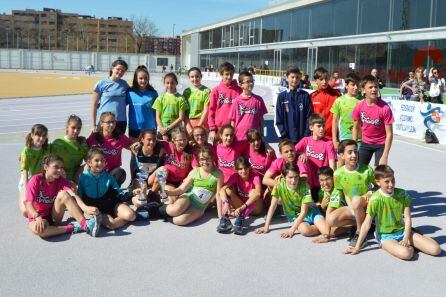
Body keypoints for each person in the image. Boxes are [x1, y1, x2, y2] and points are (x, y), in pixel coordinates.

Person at [345, 165, 441, 260]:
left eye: (393, 180)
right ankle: (411, 247)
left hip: (403, 232)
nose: (391, 184)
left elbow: (407, 219)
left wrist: (405, 239)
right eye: (387, 181)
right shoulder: (375, 198)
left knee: (436, 250)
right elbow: (367, 223)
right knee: (406, 254)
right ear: (378, 182)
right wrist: (357, 247)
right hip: (386, 236)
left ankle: (413, 243)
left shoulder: (402, 194)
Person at [26, 154, 100, 238]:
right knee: (41, 231)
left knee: (64, 194)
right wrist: (37, 217)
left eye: (61, 168)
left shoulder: (61, 180)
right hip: (37, 217)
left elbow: (73, 195)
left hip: (54, 215)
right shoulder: (35, 180)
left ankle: (85, 225)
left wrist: (84, 207)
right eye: (56, 167)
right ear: (46, 167)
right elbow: (28, 204)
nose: (59, 170)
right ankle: (73, 228)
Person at [255, 162, 330, 243]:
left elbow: (304, 212)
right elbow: (272, 206)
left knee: (328, 233)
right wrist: (266, 226)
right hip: (296, 216)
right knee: (305, 231)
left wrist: (291, 230)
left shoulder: (305, 186)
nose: (293, 181)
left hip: (312, 212)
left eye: (296, 177)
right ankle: (325, 226)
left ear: (299, 176)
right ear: (284, 177)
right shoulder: (279, 185)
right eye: (290, 177)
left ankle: (336, 227)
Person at [328, 139, 375, 248]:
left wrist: (370, 192)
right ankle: (363, 225)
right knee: (331, 220)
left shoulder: (367, 170)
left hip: (366, 205)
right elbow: (340, 192)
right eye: (350, 152)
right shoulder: (338, 173)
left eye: (355, 151)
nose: (354, 155)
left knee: (356, 200)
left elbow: (378, 186)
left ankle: (359, 233)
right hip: (352, 206)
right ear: (342, 155)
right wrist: (326, 230)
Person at [77, 147, 139, 230]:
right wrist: (78, 216)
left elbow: (120, 194)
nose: (100, 163)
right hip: (98, 210)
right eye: (97, 160)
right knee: (111, 225)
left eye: (102, 160)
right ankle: (115, 220)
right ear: (89, 162)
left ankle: (126, 216)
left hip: (112, 204)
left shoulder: (108, 177)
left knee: (131, 216)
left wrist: (133, 193)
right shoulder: (83, 177)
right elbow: (79, 197)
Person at [160, 146, 224, 225]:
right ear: (199, 160)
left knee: (179, 221)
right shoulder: (195, 171)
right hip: (188, 197)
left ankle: (166, 216)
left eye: (208, 158)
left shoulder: (218, 174)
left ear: (212, 158)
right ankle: (156, 210)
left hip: (199, 207)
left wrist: (221, 216)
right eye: (202, 159)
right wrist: (168, 193)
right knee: (174, 210)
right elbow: (181, 189)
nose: (205, 162)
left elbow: (218, 195)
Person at [352, 75, 394, 166]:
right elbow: (355, 128)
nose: (374, 89)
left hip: (381, 144)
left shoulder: (385, 108)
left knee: (380, 173)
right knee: (359, 170)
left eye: (376, 87)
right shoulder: (359, 106)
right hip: (366, 143)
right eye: (370, 87)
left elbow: (389, 133)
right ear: (363, 90)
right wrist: (353, 148)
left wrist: (385, 156)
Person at [86, 112, 136, 187]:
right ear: (101, 124)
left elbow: (132, 146)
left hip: (112, 173)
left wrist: (138, 145)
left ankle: (113, 192)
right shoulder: (95, 137)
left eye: (113, 122)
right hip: (97, 172)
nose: (112, 125)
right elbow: (85, 148)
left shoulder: (119, 137)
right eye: (108, 122)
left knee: (120, 172)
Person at [295, 113, 336, 202]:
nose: (322, 129)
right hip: (308, 181)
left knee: (320, 206)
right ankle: (302, 190)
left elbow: (332, 166)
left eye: (323, 126)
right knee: (300, 160)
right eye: (319, 126)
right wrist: (300, 154)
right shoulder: (305, 140)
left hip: (321, 183)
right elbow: (291, 153)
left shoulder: (328, 143)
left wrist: (332, 183)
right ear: (311, 127)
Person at [217, 157, 261, 235]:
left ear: (249, 168)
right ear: (236, 170)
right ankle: (225, 218)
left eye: (245, 168)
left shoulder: (255, 176)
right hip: (241, 207)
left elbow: (258, 194)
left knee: (254, 192)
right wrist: (226, 203)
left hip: (255, 209)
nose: (243, 171)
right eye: (240, 169)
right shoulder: (235, 176)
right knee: (227, 190)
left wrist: (242, 208)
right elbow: (221, 190)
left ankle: (241, 217)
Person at [274, 67, 312, 144]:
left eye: (297, 77)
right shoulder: (281, 96)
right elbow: (278, 118)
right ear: (287, 78)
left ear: (300, 79)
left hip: (303, 140)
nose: (295, 80)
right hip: (286, 140)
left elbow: (309, 117)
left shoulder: (305, 95)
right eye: (292, 77)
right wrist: (284, 137)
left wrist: (306, 136)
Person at [19, 124, 50, 216]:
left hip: (40, 182)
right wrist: (26, 189)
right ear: (32, 135)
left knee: (42, 209)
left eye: (44, 136)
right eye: (38, 135)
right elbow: (25, 171)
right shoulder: (26, 151)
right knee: (25, 211)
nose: (41, 138)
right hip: (27, 181)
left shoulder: (46, 149)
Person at [91, 59, 129, 134]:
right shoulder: (101, 84)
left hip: (120, 122)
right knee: (102, 145)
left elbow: (127, 101)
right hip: (105, 122)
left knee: (119, 145)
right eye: (118, 69)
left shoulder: (125, 85)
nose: (120, 72)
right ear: (112, 68)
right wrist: (93, 125)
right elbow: (94, 105)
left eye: (123, 70)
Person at [208, 62, 242, 143]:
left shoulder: (240, 91)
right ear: (221, 75)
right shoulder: (216, 90)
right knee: (217, 154)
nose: (229, 77)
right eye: (226, 74)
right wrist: (212, 129)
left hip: (235, 130)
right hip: (219, 130)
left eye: (231, 74)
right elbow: (211, 111)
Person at [244, 129, 276, 214]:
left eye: (258, 139)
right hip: (253, 183)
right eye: (253, 141)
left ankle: (275, 207)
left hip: (265, 184)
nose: (256, 143)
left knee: (267, 202)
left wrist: (267, 145)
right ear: (248, 141)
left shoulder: (268, 153)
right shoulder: (245, 150)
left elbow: (276, 169)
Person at [229, 71, 268, 142]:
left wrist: (261, 134)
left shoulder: (258, 100)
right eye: (248, 82)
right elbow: (233, 121)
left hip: (254, 139)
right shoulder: (236, 101)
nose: (251, 83)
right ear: (241, 85)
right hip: (239, 138)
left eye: (252, 81)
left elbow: (261, 119)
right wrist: (232, 135)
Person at [151, 127, 192, 194]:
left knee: (172, 199)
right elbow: (151, 141)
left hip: (178, 182)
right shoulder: (168, 145)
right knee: (163, 169)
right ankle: (152, 194)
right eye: (179, 140)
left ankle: (161, 192)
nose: (182, 142)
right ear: (173, 140)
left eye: (184, 139)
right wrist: (139, 144)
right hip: (165, 178)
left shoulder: (189, 151)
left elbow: (195, 168)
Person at [330, 72, 362, 157]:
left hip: (360, 141)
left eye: (357, 85)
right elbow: (335, 121)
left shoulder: (363, 100)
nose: (356, 87)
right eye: (353, 85)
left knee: (358, 167)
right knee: (341, 165)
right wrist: (334, 140)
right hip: (344, 139)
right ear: (346, 86)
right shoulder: (339, 100)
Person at [50, 115, 88, 182]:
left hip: (77, 174)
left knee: (90, 164)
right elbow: (50, 162)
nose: (76, 131)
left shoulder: (82, 143)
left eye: (78, 128)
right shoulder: (58, 143)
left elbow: (88, 160)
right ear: (67, 127)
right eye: (73, 128)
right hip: (61, 173)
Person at [152, 72, 188, 141]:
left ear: (176, 83)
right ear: (164, 83)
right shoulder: (160, 98)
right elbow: (157, 117)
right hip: (163, 132)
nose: (169, 85)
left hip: (177, 132)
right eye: (167, 83)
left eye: (172, 83)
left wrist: (167, 128)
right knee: (163, 151)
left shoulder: (181, 99)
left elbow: (181, 118)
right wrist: (163, 131)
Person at [127, 65, 158, 141]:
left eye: (145, 78)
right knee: (135, 151)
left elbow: (156, 111)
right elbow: (120, 104)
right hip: (134, 127)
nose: (143, 81)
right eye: (141, 78)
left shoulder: (153, 93)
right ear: (136, 79)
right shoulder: (130, 92)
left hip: (149, 128)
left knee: (149, 151)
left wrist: (156, 127)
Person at [311, 67, 341, 140]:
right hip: (317, 136)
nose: (324, 82)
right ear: (316, 81)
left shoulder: (336, 95)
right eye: (321, 79)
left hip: (332, 136)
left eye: (326, 79)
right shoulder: (312, 97)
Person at [183, 67, 211, 133]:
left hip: (202, 123)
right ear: (189, 78)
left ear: (201, 76)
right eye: (192, 77)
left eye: (197, 76)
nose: (195, 79)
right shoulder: (186, 91)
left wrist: (199, 126)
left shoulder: (206, 91)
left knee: (202, 143)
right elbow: (183, 111)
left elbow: (206, 111)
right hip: (189, 123)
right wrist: (188, 126)